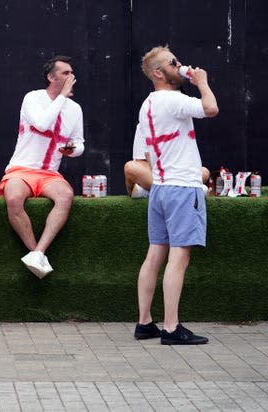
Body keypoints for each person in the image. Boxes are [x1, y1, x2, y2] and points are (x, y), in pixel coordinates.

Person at [133, 45, 218, 345]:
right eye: (173, 63)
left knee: (155, 255)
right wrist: (202, 81)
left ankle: (145, 323)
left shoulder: (148, 104)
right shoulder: (174, 99)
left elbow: (147, 151)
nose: (180, 65)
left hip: (161, 187)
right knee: (178, 258)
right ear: (159, 72)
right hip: (182, 187)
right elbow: (210, 109)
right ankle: (171, 327)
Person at [0, 56, 84, 279]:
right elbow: (42, 123)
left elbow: (80, 143)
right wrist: (62, 97)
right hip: (21, 169)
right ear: (50, 77)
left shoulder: (75, 109)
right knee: (14, 199)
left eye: (71, 72)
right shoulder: (33, 98)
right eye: (65, 73)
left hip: (49, 173)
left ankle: (38, 253)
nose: (71, 77)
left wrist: (73, 149)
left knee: (65, 196)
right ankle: (35, 251)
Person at [125, 124, 210, 198]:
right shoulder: (144, 123)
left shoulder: (181, 124)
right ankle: (189, 191)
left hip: (178, 175)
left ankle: (150, 192)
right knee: (130, 167)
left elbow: (187, 162)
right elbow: (141, 163)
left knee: (204, 171)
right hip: (155, 175)